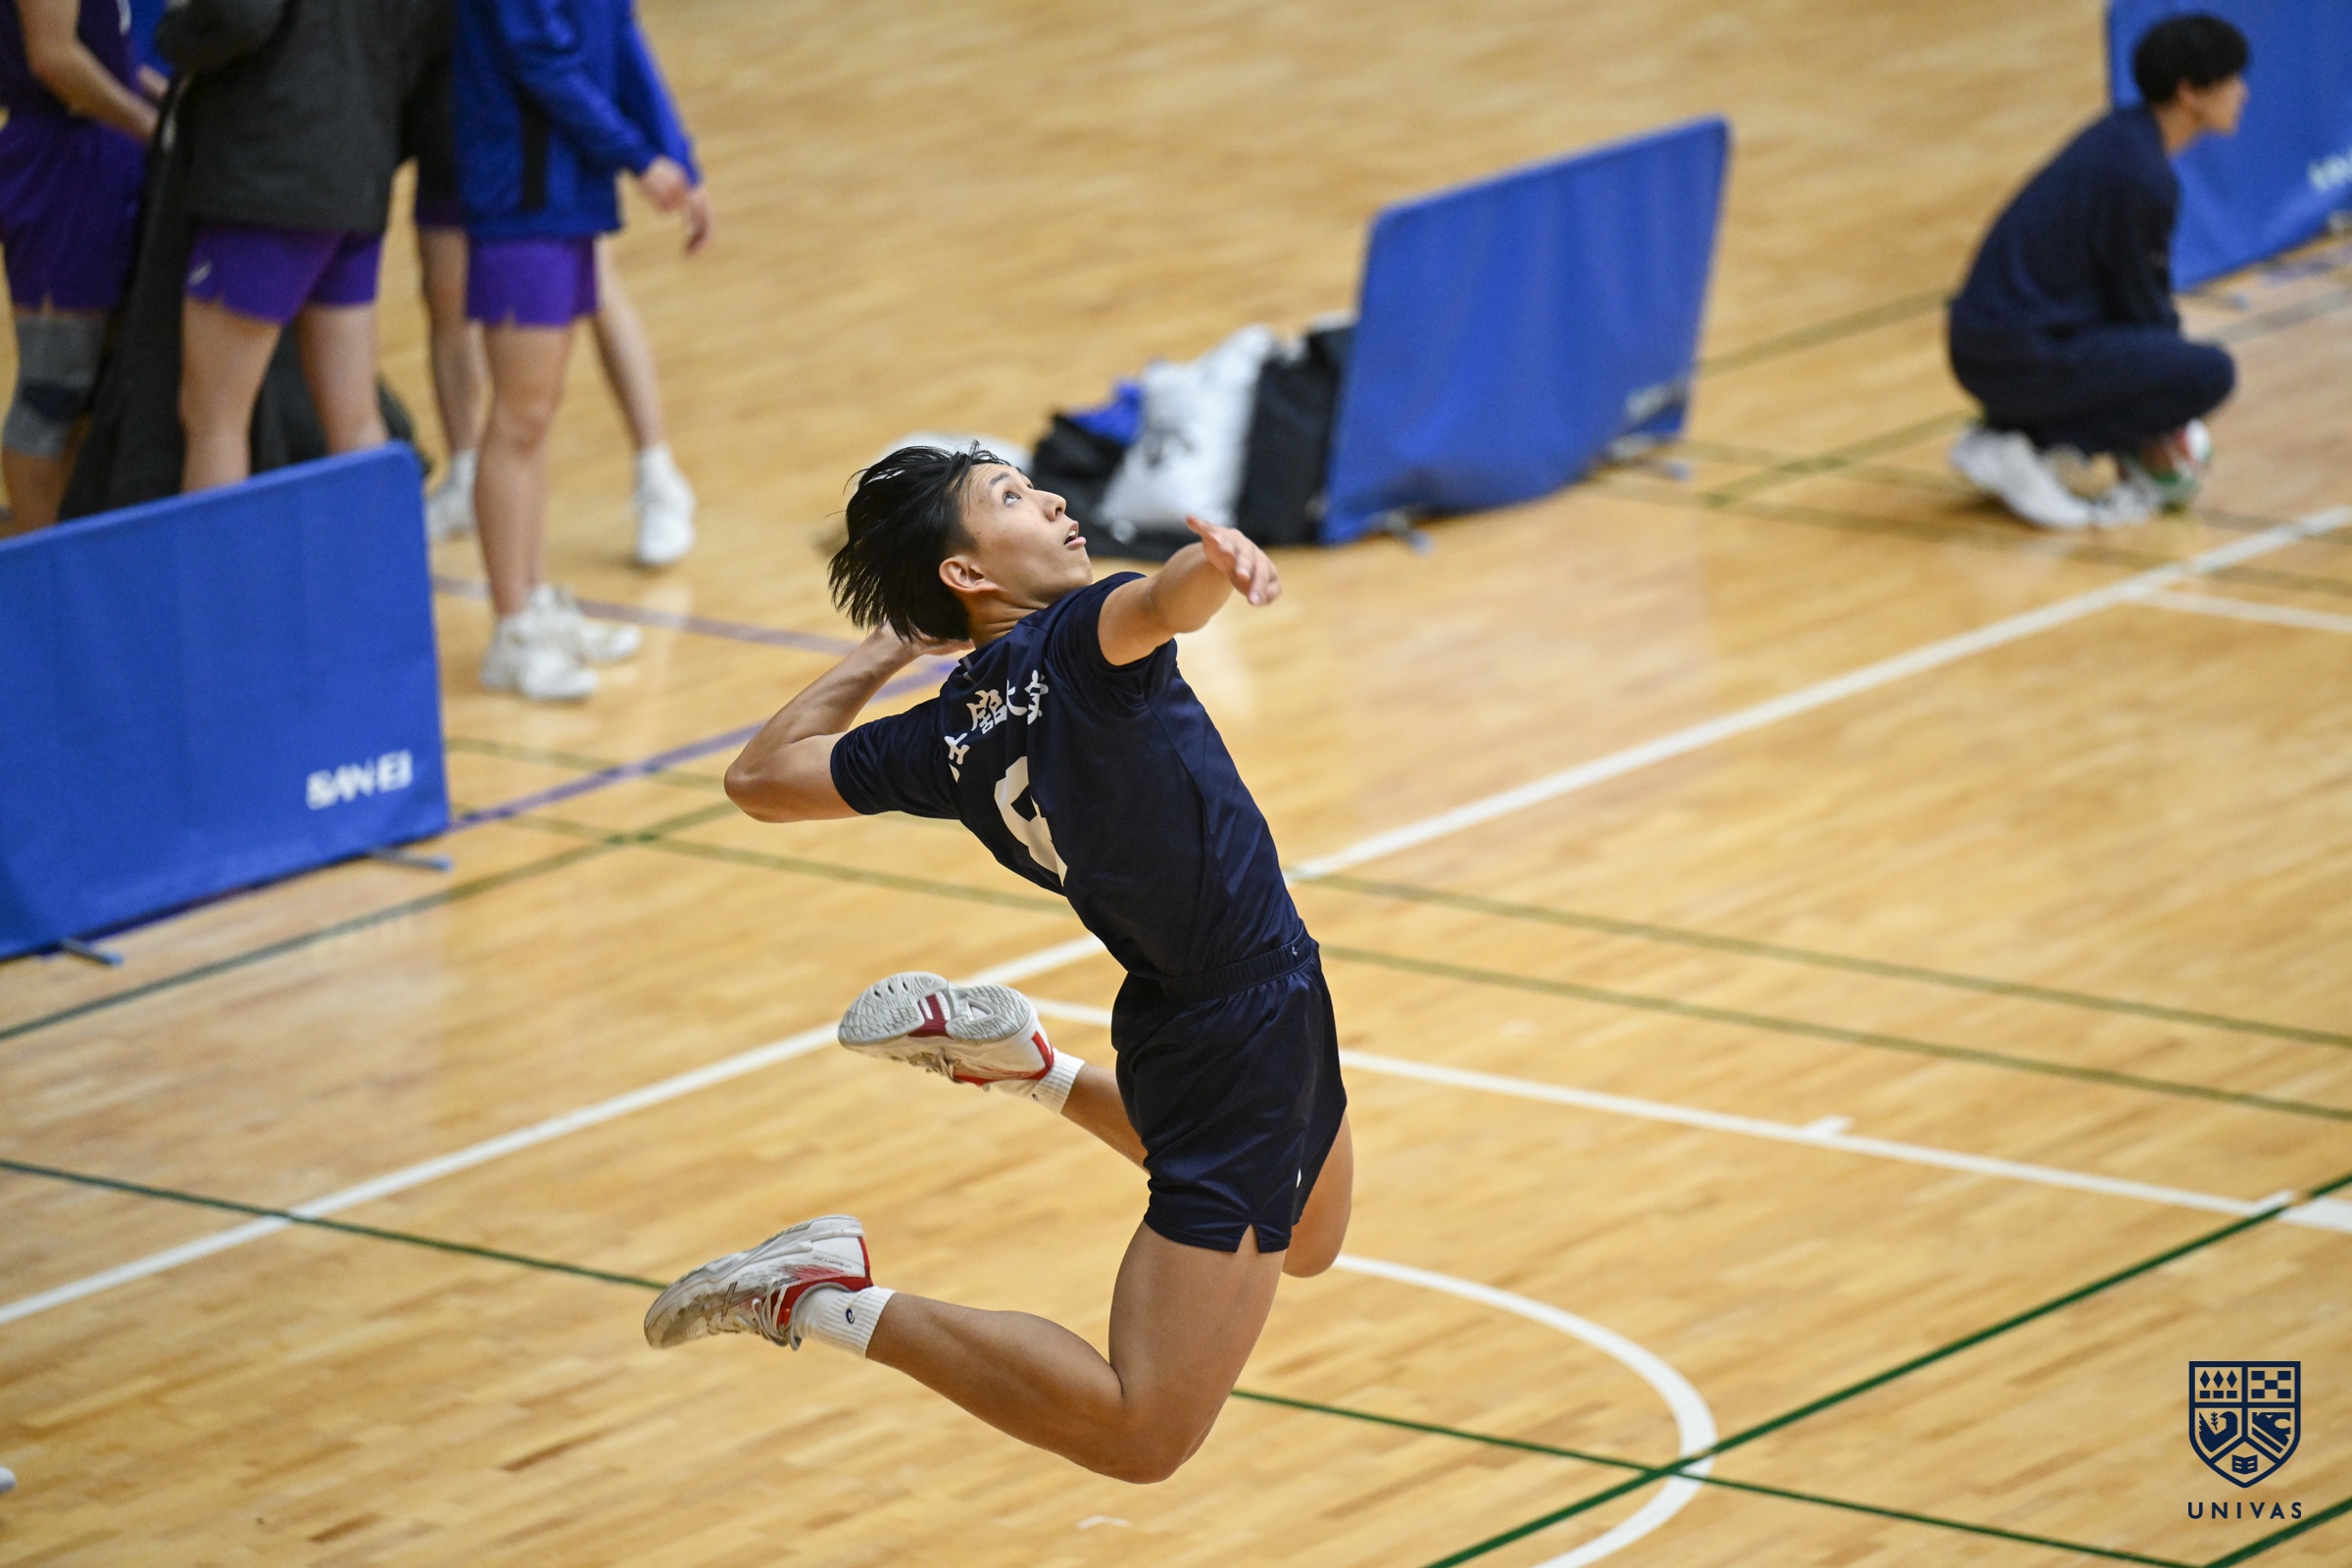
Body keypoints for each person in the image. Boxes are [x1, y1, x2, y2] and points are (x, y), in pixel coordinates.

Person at [644, 448, 1353, 1486]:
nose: (1054, 499)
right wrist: (1215, 565)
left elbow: (760, 778)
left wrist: (894, 642)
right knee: (1142, 1432)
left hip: (1207, 1002)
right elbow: (1161, 603)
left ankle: (1027, 1067)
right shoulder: (1079, 640)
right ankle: (817, 1294)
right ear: (967, 572)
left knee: (1313, 1239)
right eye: (1011, 498)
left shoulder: (946, 734)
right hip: (1237, 1032)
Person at [453, 0, 710, 702]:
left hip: (572, 194)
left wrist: (678, 158)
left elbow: (621, 38)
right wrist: (637, 155)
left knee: (536, 416)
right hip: (519, 198)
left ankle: (532, 605)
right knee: (517, 417)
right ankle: (511, 632)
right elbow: (539, 57)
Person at [1946, 12, 2247, 529]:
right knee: (2206, 373)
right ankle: (2033, 447)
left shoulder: (2119, 140)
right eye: (2231, 80)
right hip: (2019, 350)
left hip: (1994, 341)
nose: (2242, 92)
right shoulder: (2141, 175)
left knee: (2166, 360)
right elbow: (2141, 302)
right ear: (2191, 93)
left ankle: (2008, 433)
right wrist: (2165, 409)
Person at [158, 0, 445, 495]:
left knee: (213, 418)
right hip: (359, 168)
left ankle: (228, 555)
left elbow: (242, 16)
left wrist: (176, 33)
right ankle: (373, 549)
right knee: (355, 417)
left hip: (268, 176)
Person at [0, 0, 155, 534]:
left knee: (100, 386)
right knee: (54, 389)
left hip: (102, 149)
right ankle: (42, 565)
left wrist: (158, 96)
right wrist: (147, 123)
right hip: (61, 163)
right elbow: (54, 58)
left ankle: (80, 547)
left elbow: (101, 53)